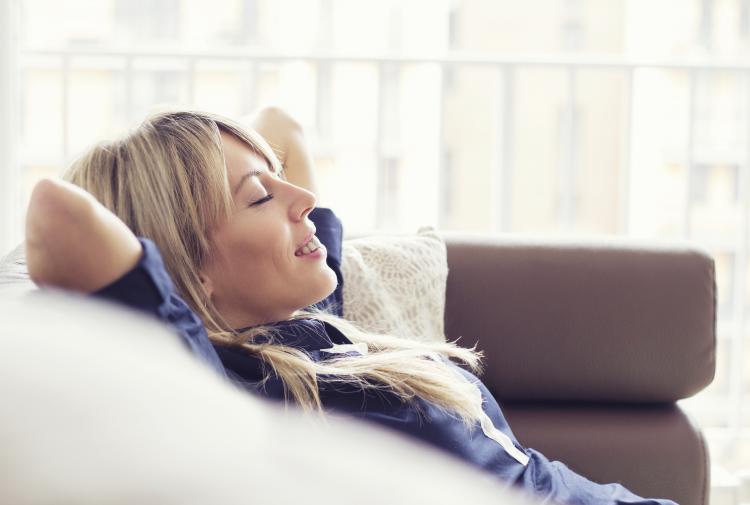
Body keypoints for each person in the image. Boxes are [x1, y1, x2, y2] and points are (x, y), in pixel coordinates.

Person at [25, 107, 678, 505]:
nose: (301, 198)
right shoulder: (228, 384)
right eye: (260, 197)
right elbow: (56, 214)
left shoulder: (307, 329)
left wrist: (217, 157)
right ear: (189, 264)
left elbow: (283, 121)